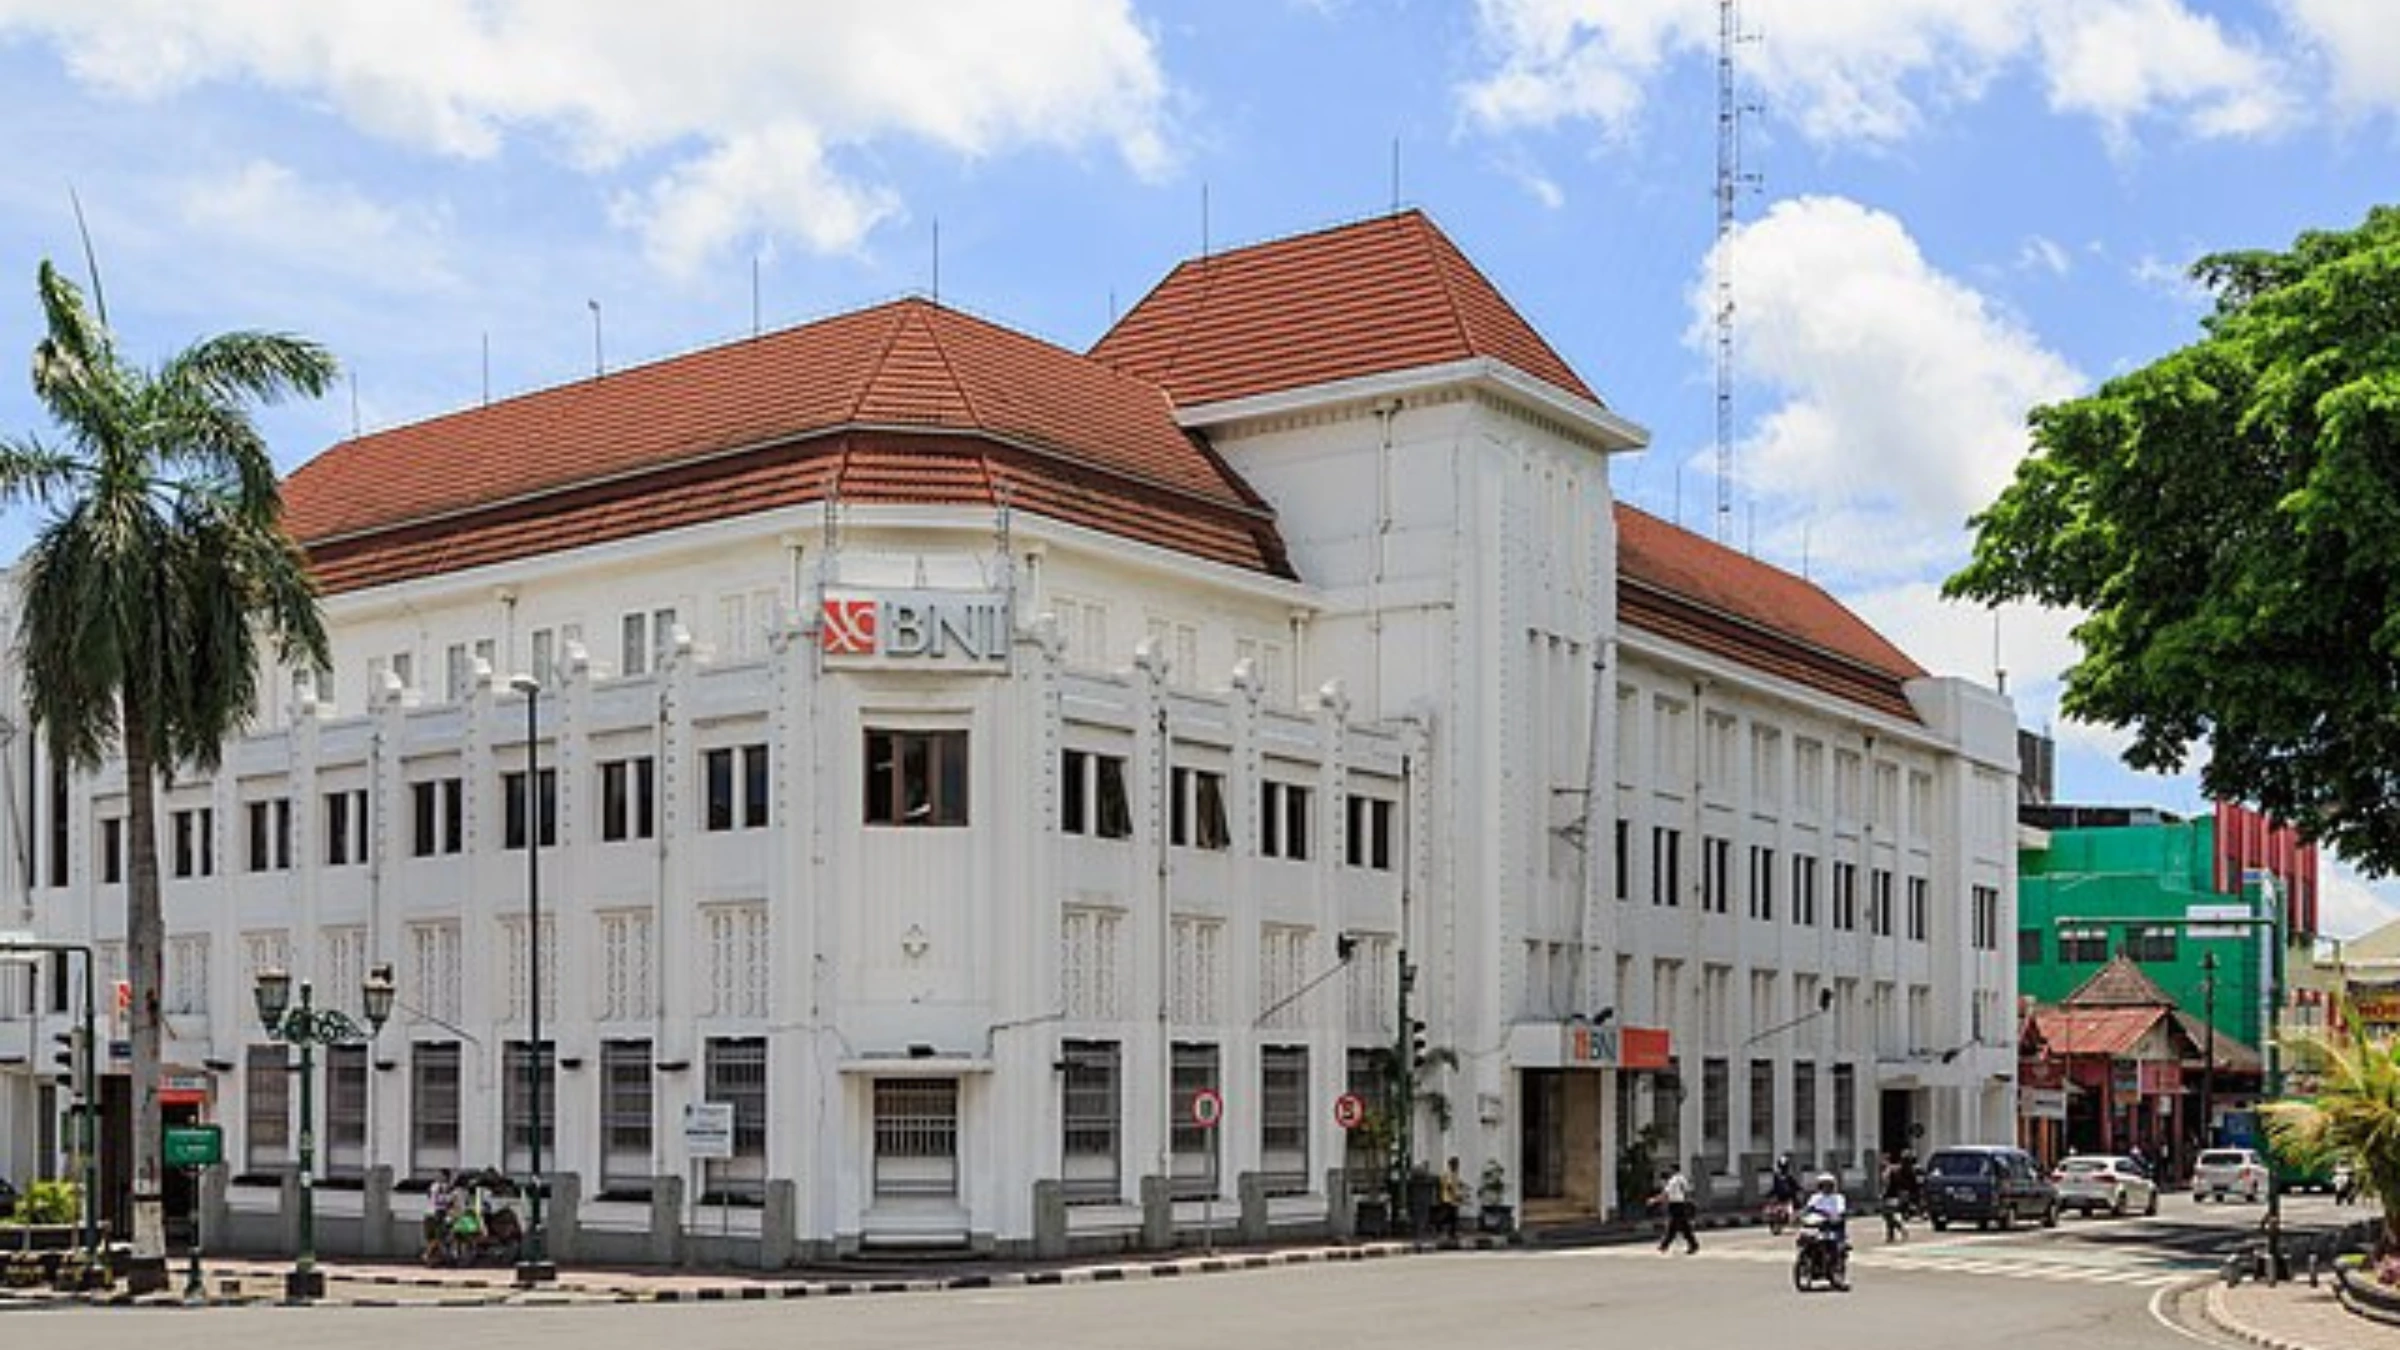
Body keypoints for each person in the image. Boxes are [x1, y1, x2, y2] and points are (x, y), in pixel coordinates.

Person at [1803, 1172, 1850, 1289]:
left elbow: (1841, 1211)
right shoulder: (1815, 1197)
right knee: (1805, 1239)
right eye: (1823, 1185)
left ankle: (1837, 1274)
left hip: (1833, 1227)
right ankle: (1810, 1264)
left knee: (1835, 1248)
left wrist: (1836, 1217)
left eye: (1828, 1185)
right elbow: (1809, 1209)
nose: (1826, 1187)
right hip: (1817, 1226)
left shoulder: (1838, 1198)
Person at [1654, 1166, 1699, 1254]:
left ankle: (1665, 1245)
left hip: (1675, 1205)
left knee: (1674, 1226)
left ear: (1673, 1170)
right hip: (1681, 1204)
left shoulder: (1673, 1181)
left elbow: (1666, 1193)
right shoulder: (1682, 1178)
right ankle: (1665, 1245)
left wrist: (1654, 1200)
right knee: (1680, 1226)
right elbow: (1687, 1191)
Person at [1880, 1151, 1910, 1242]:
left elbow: (1887, 1184)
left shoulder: (1889, 1171)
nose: (1882, 1162)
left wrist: (1883, 1193)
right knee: (1888, 1216)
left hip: (1891, 1195)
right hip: (1892, 1195)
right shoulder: (1890, 1170)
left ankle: (1900, 1230)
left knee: (1888, 1215)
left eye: (1884, 1160)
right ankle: (1890, 1235)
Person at [1435, 1157, 1465, 1240]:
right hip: (1447, 1198)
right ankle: (1439, 1228)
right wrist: (1455, 1195)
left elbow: (1456, 1183)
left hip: (1452, 1198)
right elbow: (1449, 1186)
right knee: (1446, 1215)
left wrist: (1461, 1186)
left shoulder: (1454, 1174)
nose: (1457, 1166)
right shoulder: (1448, 1174)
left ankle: (1452, 1233)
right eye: (1455, 1164)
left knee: (1453, 1217)